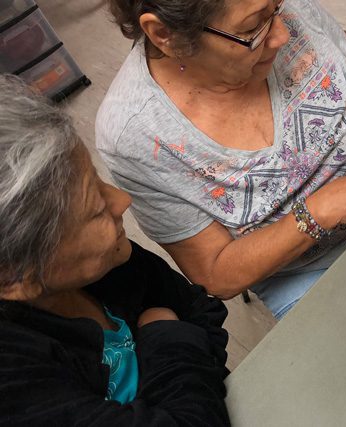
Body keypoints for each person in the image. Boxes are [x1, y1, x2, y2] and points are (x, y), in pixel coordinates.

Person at [97, 0, 346, 319]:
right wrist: (320, 210)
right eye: (253, 28)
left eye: (279, 8)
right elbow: (215, 273)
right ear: (164, 34)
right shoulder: (136, 135)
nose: (280, 35)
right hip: (310, 270)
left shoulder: (269, 11)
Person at [0, 75, 230, 425]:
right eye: (95, 209)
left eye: (96, 179)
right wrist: (166, 334)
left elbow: (202, 309)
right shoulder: (16, 384)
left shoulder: (108, 261)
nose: (122, 201)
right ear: (13, 277)